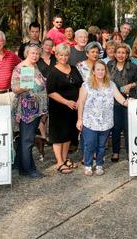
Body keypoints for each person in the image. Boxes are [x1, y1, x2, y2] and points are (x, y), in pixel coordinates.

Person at [77, 60, 129, 176]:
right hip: (89, 121)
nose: (100, 72)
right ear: (94, 72)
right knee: (90, 144)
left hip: (106, 122)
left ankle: (99, 164)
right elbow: (81, 103)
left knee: (101, 145)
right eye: (98, 69)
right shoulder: (86, 85)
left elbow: (120, 99)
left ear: (106, 71)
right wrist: (79, 119)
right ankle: (88, 165)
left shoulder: (111, 84)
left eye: (102, 70)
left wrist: (129, 103)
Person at [11, 44, 48, 179]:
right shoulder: (24, 68)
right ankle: (28, 169)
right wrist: (25, 87)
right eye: (32, 53)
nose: (35, 56)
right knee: (28, 140)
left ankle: (20, 165)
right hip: (28, 110)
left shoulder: (34, 66)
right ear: (27, 53)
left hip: (36, 109)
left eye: (37, 54)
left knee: (24, 139)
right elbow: (16, 88)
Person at [46, 43, 83, 174]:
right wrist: (66, 102)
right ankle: (60, 162)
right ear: (56, 55)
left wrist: (79, 101)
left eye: (66, 55)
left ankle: (65, 158)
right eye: (61, 55)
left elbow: (80, 86)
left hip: (73, 108)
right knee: (58, 136)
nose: (63, 57)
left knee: (68, 134)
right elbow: (50, 91)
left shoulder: (73, 68)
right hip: (59, 108)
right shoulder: (53, 72)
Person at [107, 43, 137, 162]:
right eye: (119, 52)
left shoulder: (133, 67)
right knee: (115, 128)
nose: (121, 55)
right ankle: (115, 152)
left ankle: (129, 152)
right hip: (113, 101)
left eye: (123, 53)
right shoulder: (109, 65)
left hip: (128, 101)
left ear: (127, 55)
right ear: (115, 54)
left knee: (128, 127)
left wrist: (131, 85)